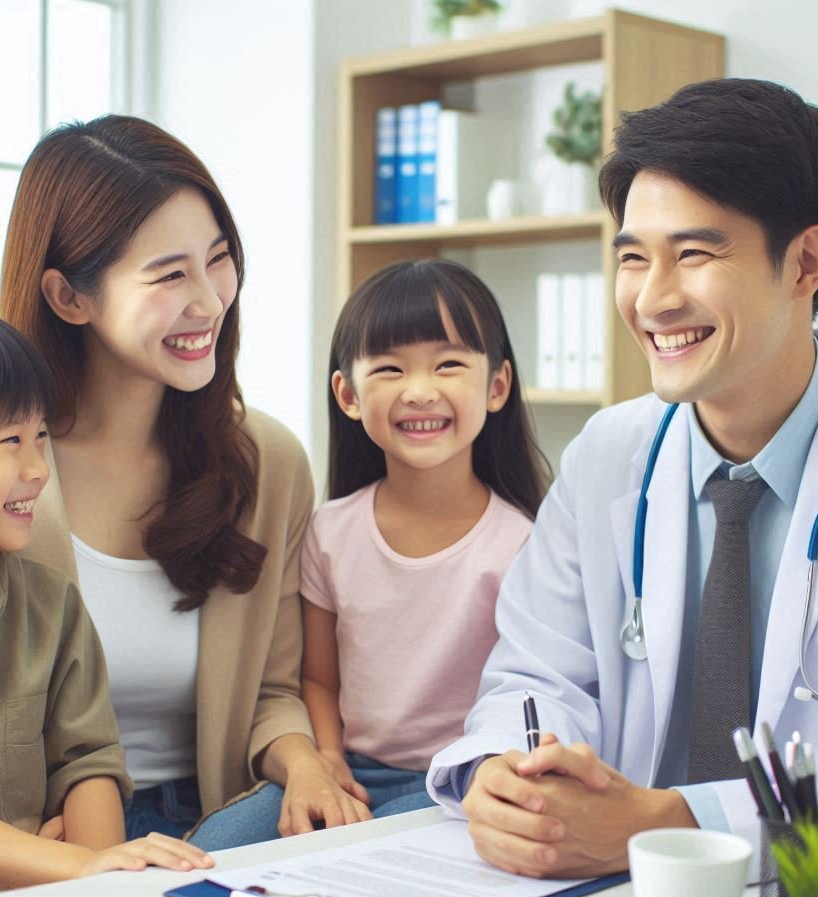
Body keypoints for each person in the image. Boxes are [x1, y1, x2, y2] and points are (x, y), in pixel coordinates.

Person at [428, 78, 818, 878]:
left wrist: (683, 822)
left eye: (694, 254)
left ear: (805, 261)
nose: (653, 298)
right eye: (633, 258)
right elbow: (534, 678)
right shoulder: (608, 456)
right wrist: (503, 773)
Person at [0, 115, 365, 849]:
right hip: (43, 837)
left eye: (219, 259)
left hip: (216, 826)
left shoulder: (266, 462)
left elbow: (272, 691)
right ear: (70, 297)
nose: (209, 300)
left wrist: (308, 766)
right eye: (169, 275)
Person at [189, 259, 551, 847]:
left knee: (359, 858)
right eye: (389, 369)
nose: (419, 390)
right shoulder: (331, 532)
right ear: (348, 395)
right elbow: (319, 680)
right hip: (348, 767)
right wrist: (326, 758)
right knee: (214, 849)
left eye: (449, 364)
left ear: (497, 387)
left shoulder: (521, 544)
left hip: (459, 777)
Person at [0, 301, 213, 897]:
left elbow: (88, 758)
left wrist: (92, 877)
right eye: (9, 440)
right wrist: (67, 866)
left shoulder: (53, 605)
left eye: (42, 437)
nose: (37, 468)